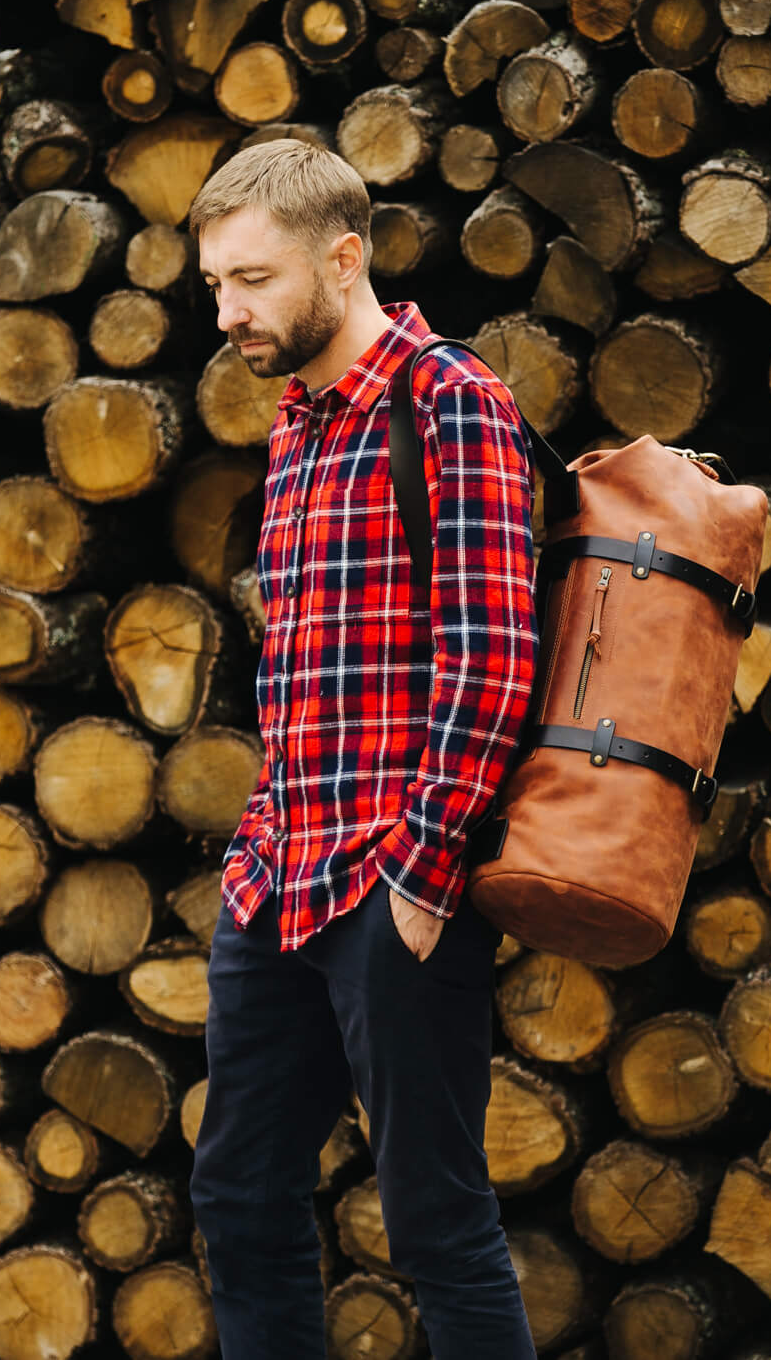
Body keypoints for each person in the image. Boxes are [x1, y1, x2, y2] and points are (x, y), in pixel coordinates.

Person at [185, 138, 541, 1359]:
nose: (228, 313)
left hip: (392, 884)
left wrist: (423, 869)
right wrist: (260, 853)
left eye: (252, 279)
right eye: (214, 286)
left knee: (435, 1224)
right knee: (237, 1200)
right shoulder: (295, 422)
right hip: (278, 871)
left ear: (344, 259)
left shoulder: (450, 400)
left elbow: (490, 654)